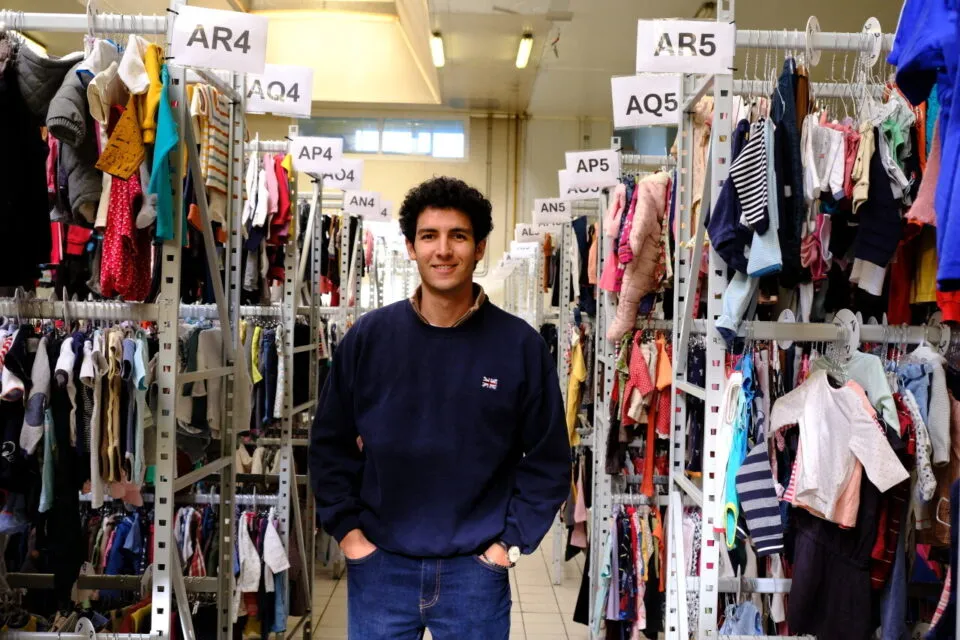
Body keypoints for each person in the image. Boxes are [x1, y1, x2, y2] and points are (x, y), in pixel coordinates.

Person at [309, 176, 570, 639]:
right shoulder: (368, 339)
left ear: (479, 247)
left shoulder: (520, 347)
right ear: (411, 247)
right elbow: (329, 445)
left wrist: (507, 545)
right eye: (429, 236)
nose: (443, 250)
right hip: (380, 569)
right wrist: (350, 536)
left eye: (458, 236)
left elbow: (549, 461)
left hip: (476, 577)